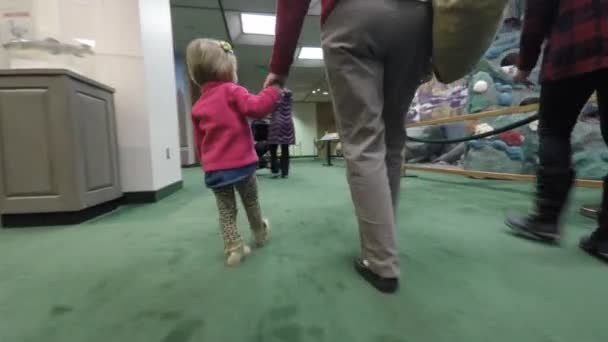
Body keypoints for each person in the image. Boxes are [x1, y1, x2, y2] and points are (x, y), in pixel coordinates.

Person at [266, 0, 432, 293]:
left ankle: (381, 261)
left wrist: (279, 66)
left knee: (363, 141)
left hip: (352, 17)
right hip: (414, 16)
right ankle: (384, 243)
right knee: (392, 138)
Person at [506, 0, 608, 260]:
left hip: (572, 48)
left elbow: (537, 12)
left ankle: (546, 221)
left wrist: (525, 64)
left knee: (554, 131)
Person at [187, 38, 281, 266]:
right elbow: (257, 108)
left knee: (226, 211)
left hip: (216, 170)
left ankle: (234, 248)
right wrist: (273, 91)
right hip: (242, 165)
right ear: (228, 68)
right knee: (251, 201)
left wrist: (206, 165)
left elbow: (200, 143)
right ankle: (259, 232)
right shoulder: (232, 91)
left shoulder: (198, 106)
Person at [268, 89, 295, 178]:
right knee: (285, 150)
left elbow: (269, 109)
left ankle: (275, 170)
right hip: (288, 123)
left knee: (273, 149)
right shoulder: (290, 99)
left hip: (276, 123)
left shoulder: (274, 98)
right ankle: (285, 172)